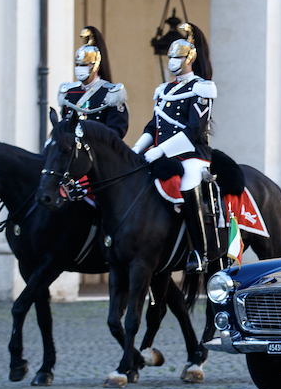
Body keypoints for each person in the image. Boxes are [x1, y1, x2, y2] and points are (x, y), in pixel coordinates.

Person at [131, 23, 217, 272]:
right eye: (170, 57)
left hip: (191, 154)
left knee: (188, 183)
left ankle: (200, 252)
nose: (172, 62)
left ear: (189, 59)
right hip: (161, 153)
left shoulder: (201, 88)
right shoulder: (164, 90)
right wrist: (136, 149)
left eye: (177, 57)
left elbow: (194, 130)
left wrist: (161, 150)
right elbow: (153, 126)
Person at [58, 27, 129, 138]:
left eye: (84, 65)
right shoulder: (69, 92)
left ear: (96, 66)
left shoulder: (111, 93)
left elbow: (116, 131)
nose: (79, 68)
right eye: (77, 65)